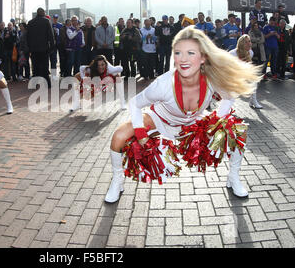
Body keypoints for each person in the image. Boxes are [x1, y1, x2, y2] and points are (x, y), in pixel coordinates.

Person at [104, 27, 261, 204]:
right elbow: (135, 103)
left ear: (203, 58)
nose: (183, 59)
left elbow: (229, 96)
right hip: (161, 119)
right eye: (178, 53)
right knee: (119, 136)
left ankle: (233, 177)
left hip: (193, 123)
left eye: (190, 53)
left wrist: (215, 122)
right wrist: (141, 135)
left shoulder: (212, 78)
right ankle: (117, 181)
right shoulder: (163, 84)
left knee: (238, 132)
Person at [229, 35, 263, 109]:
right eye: (246, 42)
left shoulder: (250, 52)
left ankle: (253, 101)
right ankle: (229, 105)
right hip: (233, 75)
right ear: (241, 44)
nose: (249, 44)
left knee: (254, 82)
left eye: (249, 41)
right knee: (232, 90)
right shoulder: (232, 53)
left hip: (244, 73)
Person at [27, 8, 55, 88]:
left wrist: (29, 49)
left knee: (35, 67)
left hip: (34, 49)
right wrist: (52, 47)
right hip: (44, 48)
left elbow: (28, 37)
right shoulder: (46, 21)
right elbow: (51, 35)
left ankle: (34, 84)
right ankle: (47, 84)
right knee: (45, 67)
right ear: (42, 13)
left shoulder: (30, 22)